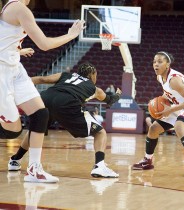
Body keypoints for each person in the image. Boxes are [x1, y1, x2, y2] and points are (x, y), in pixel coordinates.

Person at [1, 0, 84, 183]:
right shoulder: (19, 8)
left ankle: (34, 170)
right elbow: (44, 44)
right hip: (2, 73)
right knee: (13, 132)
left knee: (40, 113)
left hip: (14, 67)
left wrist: (16, 52)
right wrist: (72, 35)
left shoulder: (10, 7)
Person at [8, 63, 121, 178]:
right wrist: (117, 95)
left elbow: (42, 78)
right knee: (100, 132)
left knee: (35, 130)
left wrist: (18, 83)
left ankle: (15, 160)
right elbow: (110, 100)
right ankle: (99, 166)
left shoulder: (65, 75)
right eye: (96, 75)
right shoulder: (95, 89)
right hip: (67, 103)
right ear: (92, 75)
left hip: (46, 98)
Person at [132, 51, 184, 176]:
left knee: (179, 126)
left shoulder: (174, 80)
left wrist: (170, 110)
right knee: (153, 129)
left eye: (160, 62)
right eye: (154, 61)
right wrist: (160, 104)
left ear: (167, 65)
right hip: (179, 105)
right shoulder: (160, 77)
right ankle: (147, 160)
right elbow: (167, 95)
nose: (156, 64)